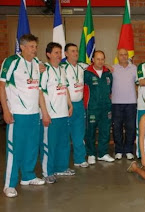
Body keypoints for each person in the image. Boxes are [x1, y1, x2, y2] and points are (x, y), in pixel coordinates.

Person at [0, 34, 45, 198]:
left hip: (34, 114)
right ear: (23, 47)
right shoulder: (11, 61)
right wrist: (5, 110)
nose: (35, 50)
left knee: (32, 147)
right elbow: (2, 85)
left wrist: (42, 110)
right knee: (14, 149)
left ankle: (28, 175)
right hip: (17, 114)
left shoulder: (36, 64)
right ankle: (9, 184)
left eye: (36, 46)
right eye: (32, 46)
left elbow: (38, 89)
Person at [40, 42, 74, 184]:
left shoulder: (62, 69)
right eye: (56, 52)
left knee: (63, 143)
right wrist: (45, 113)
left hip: (63, 113)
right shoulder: (44, 70)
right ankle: (47, 172)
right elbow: (40, 92)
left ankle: (61, 167)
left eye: (60, 52)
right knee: (49, 144)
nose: (59, 55)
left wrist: (70, 105)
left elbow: (65, 88)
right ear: (48, 54)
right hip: (51, 115)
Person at [84, 50, 114, 164]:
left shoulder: (108, 73)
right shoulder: (87, 73)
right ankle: (91, 154)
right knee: (90, 131)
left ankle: (103, 153)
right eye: (98, 59)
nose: (100, 61)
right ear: (93, 60)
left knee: (105, 131)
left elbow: (110, 89)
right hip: (92, 107)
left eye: (102, 59)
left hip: (106, 107)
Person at [62, 43, 88, 168]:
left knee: (79, 133)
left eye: (76, 51)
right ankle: (63, 162)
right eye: (72, 51)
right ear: (66, 54)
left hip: (79, 104)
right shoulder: (62, 67)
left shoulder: (82, 67)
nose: (76, 53)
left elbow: (98, 66)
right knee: (65, 135)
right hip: (66, 105)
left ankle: (79, 159)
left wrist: (108, 66)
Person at [112, 48, 137, 160]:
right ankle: (118, 150)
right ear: (117, 56)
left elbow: (138, 83)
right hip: (116, 103)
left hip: (131, 102)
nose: (123, 56)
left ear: (128, 56)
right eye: (121, 55)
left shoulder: (134, 68)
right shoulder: (113, 68)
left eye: (125, 54)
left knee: (130, 127)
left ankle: (128, 150)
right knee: (117, 127)